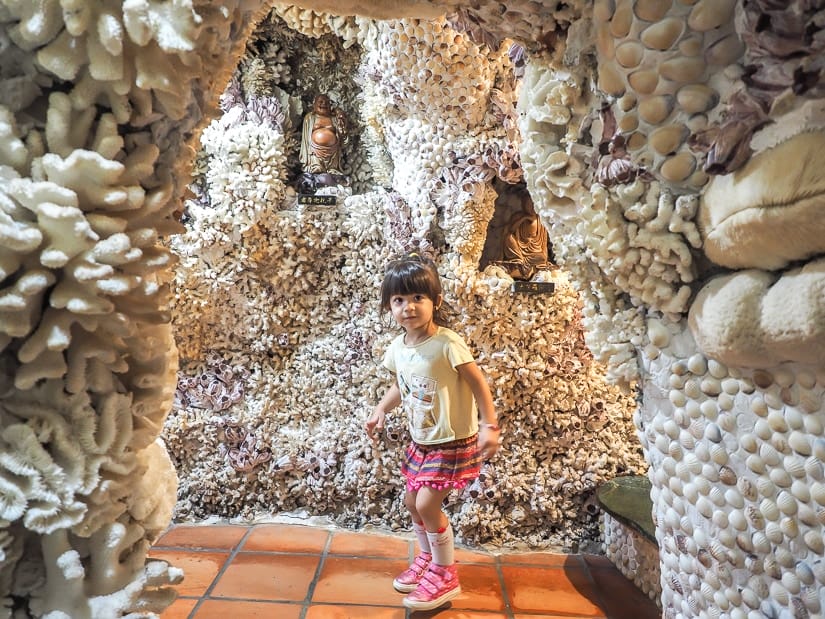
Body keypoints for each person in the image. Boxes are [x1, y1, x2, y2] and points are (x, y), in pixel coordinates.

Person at [365, 253, 500, 611]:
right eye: (399, 300)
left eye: (417, 298)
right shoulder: (399, 348)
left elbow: (477, 383)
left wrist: (490, 425)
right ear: (389, 306)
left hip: (451, 440)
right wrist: (381, 409)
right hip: (422, 440)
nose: (408, 307)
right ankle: (427, 558)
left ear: (435, 301)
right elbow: (402, 386)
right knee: (412, 502)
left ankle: (445, 573)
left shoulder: (447, 343)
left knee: (426, 503)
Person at [299, 93, 346, 174]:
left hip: (333, 150)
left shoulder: (334, 118)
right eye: (320, 102)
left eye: (327, 102)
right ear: (314, 104)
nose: (324, 104)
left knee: (332, 171)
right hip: (314, 149)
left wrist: (342, 123)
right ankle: (315, 165)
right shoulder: (310, 117)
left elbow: (342, 135)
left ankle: (332, 168)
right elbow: (306, 138)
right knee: (317, 168)